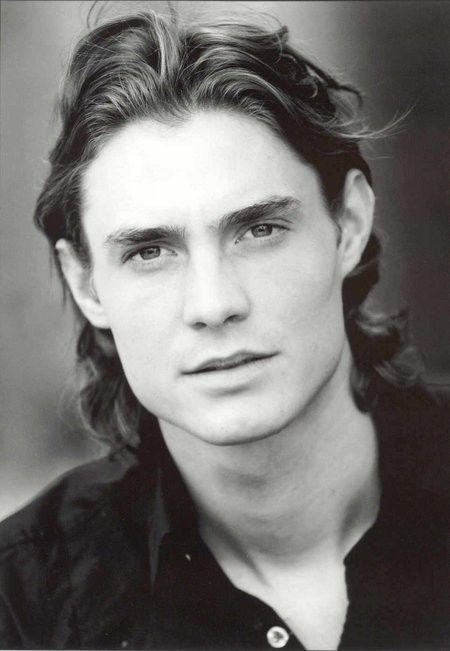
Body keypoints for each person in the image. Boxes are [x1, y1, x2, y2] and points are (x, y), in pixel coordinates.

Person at [0, 8, 448, 650]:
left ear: (348, 224)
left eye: (259, 230)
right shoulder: (22, 607)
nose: (213, 305)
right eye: (149, 252)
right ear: (87, 284)